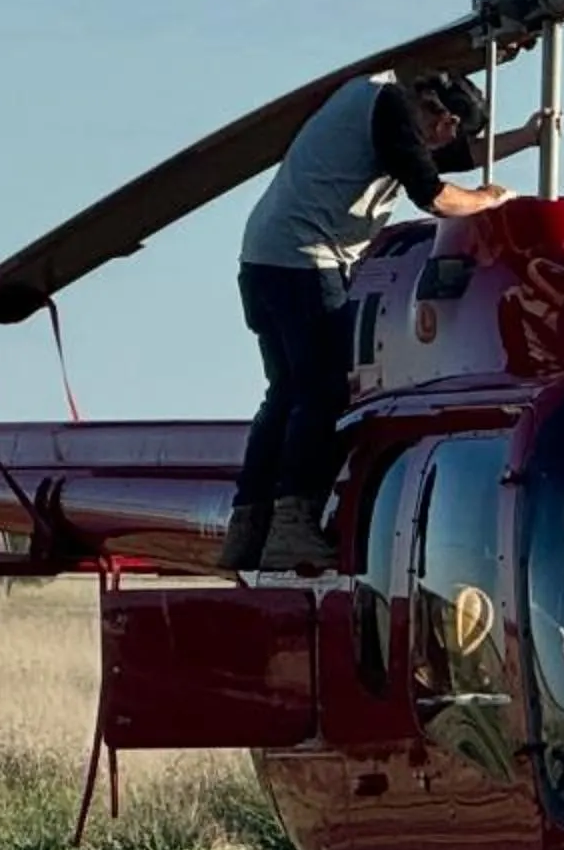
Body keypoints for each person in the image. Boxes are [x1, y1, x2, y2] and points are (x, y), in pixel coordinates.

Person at [221, 70, 544, 571]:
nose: (445, 143)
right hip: (304, 262)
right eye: (450, 132)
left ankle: (248, 525)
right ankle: (293, 524)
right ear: (443, 116)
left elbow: (443, 160)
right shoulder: (390, 106)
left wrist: (526, 136)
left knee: (286, 392)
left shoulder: (376, 102)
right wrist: (489, 201)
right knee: (323, 391)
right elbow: (433, 195)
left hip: (264, 260)